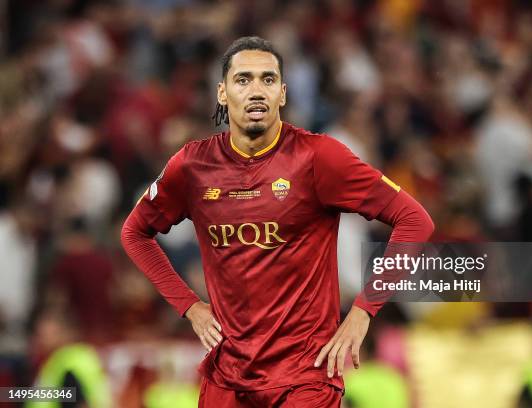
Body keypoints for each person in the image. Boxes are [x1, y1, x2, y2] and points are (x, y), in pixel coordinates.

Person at [121, 36, 434, 408]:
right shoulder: (192, 166)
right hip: (228, 377)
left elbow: (415, 220)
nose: (257, 90)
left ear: (282, 94)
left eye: (268, 80)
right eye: (243, 80)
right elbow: (135, 233)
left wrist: (364, 312)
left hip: (304, 379)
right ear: (222, 93)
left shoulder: (318, 157)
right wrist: (189, 306)